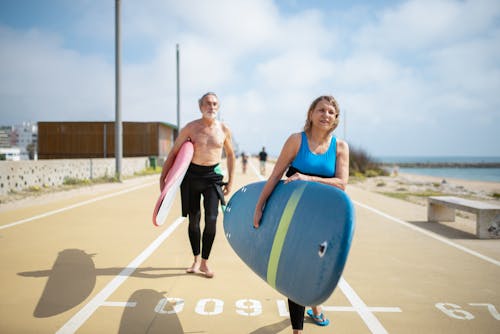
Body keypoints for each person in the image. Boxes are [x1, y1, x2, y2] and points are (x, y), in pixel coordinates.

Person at [253, 95, 349, 333]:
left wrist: (309, 178)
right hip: (294, 215)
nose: (325, 115)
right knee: (295, 269)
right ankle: (297, 330)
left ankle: (314, 306)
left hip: (324, 218)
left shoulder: (340, 147)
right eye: (321, 110)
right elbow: (276, 175)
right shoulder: (297, 141)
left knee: (317, 266)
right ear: (311, 114)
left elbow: (341, 183)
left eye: (330, 112)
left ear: (336, 118)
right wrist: (259, 205)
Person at [160, 92, 235, 278]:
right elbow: (174, 153)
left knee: (211, 220)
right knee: (193, 220)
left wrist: (231, 181)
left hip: (212, 178)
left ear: (218, 107)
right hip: (191, 177)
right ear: (200, 107)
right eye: (208, 104)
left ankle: (204, 262)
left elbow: (231, 155)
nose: (212, 107)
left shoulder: (224, 129)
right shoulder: (190, 128)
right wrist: (164, 179)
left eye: (215, 104)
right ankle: (195, 259)